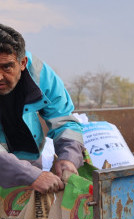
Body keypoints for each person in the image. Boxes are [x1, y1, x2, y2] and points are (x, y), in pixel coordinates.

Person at [0, 24, 84, 193]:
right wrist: (31, 175)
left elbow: (64, 121)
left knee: (29, 212)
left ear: (22, 62)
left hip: (27, 158)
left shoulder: (40, 75)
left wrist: (68, 158)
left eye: (7, 66)